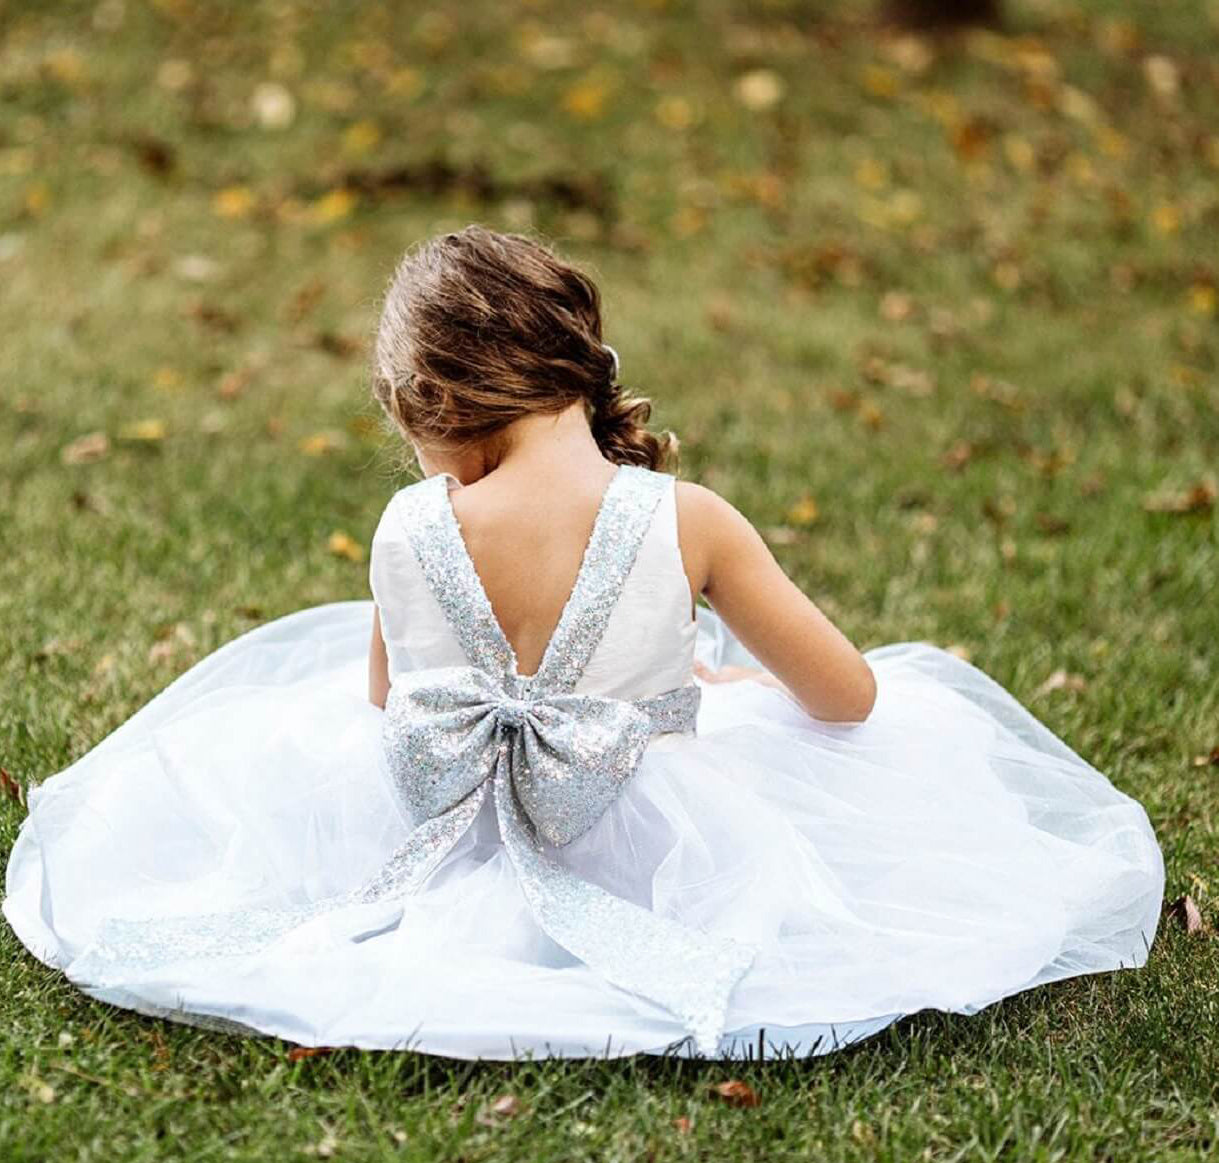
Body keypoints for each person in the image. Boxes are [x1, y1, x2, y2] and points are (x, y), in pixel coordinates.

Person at [3, 226, 1164, 1060]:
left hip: (439, 825)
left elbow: (383, 706)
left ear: (425, 402)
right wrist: (701, 682)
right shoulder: (686, 518)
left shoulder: (408, 527)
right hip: (653, 836)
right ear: (576, 365)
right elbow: (850, 698)